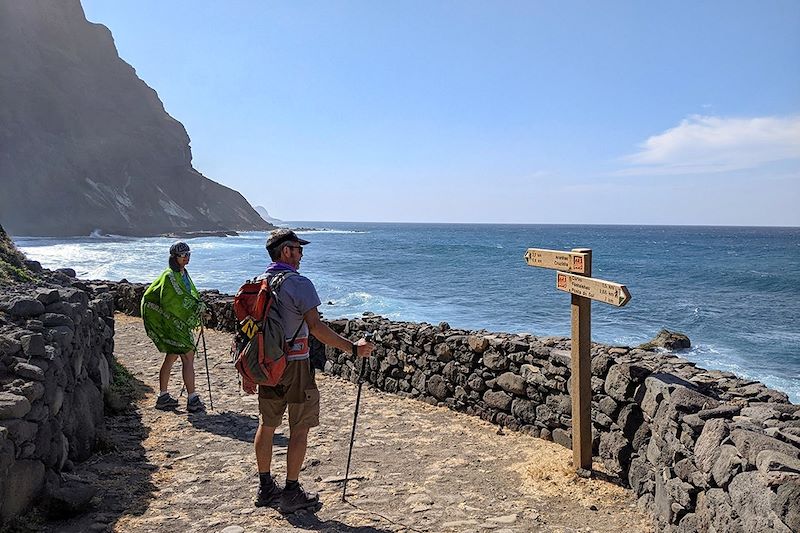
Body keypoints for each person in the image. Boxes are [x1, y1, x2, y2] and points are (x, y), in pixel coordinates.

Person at [250, 229, 375, 513]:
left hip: (268, 365)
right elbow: (316, 328)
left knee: (267, 425)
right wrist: (353, 348)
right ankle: (292, 491)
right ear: (285, 252)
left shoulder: (260, 282)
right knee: (300, 428)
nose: (302, 254)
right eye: (297, 248)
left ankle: (265, 487)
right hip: (296, 366)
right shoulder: (299, 284)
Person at [141, 241, 206, 413]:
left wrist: (196, 305)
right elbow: (172, 301)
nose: (186, 257)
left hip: (176, 323)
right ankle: (192, 399)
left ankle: (163, 396)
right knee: (188, 357)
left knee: (171, 357)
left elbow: (188, 294)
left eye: (188, 254)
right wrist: (195, 308)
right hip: (173, 323)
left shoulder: (183, 273)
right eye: (183, 255)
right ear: (174, 258)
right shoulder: (169, 276)